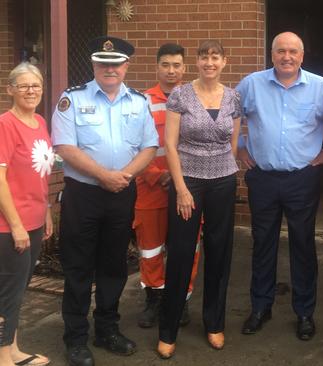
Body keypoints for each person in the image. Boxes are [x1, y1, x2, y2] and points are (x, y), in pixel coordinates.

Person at [51, 36, 158, 366]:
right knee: (79, 267)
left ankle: (107, 329)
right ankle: (76, 337)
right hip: (83, 196)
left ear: (126, 66)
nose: (109, 68)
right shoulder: (71, 99)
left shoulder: (139, 102)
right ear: (94, 65)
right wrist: (104, 175)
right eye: (103, 63)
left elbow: (149, 147)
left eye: (116, 63)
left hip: (121, 193)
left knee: (113, 266)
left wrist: (122, 176)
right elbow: (65, 148)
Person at [236, 31, 323, 341]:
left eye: (293, 51)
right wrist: (239, 145)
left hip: (301, 179)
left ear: (302, 56)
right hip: (262, 178)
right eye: (281, 51)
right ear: (272, 53)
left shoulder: (321, 87)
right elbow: (229, 115)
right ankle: (260, 307)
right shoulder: (251, 84)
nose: (287, 57)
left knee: (303, 245)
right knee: (262, 243)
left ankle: (304, 312)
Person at [156, 39, 241, 358]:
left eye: (215, 57)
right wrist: (180, 188)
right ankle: (168, 329)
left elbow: (232, 142)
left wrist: (225, 171)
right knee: (180, 254)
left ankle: (214, 323)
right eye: (204, 57)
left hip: (222, 181)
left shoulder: (233, 97)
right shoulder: (180, 94)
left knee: (220, 253)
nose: (209, 62)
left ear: (224, 61)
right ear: (197, 62)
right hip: (188, 182)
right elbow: (170, 144)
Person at [135, 43, 200, 329]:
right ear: (157, 66)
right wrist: (155, 175)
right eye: (166, 65)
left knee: (187, 247)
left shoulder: (196, 98)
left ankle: (181, 300)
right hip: (151, 189)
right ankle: (154, 299)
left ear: (184, 68)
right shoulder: (141, 102)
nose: (171, 71)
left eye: (177, 65)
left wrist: (181, 179)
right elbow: (132, 142)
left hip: (189, 188)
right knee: (151, 247)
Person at [0, 63, 53, 366]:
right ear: (10, 89)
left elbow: (39, 175)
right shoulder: (6, 124)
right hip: (10, 226)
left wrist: (45, 211)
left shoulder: (40, 122)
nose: (31, 91)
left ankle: (14, 348)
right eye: (23, 85)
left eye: (36, 85)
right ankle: (3, 355)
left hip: (33, 219)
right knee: (7, 292)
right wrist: (17, 225)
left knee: (18, 290)